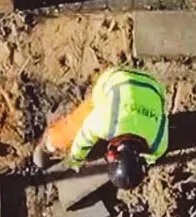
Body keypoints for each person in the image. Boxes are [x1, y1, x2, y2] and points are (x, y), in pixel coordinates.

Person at [36, 65, 170, 190]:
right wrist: (75, 160)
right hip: (116, 79)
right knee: (73, 128)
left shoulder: (159, 143)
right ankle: (49, 143)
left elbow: (163, 116)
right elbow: (83, 138)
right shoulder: (105, 124)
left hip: (153, 84)